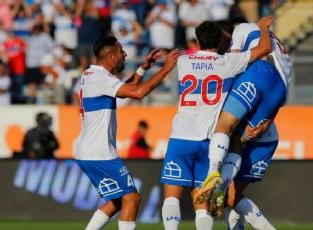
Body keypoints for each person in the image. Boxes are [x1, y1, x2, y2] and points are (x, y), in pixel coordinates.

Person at [160, 17, 274, 230]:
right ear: (221, 41)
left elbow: (169, 63)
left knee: (171, 199)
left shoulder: (183, 61)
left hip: (180, 138)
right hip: (210, 142)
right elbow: (265, 48)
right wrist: (263, 27)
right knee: (202, 205)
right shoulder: (228, 63)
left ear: (197, 41)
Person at [75, 35, 179, 230]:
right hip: (99, 153)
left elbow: (128, 87)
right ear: (112, 56)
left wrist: (143, 68)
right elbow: (138, 93)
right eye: (121, 51)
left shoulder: (91, 75)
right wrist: (166, 69)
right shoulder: (100, 78)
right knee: (132, 198)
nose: (125, 54)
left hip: (89, 151)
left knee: (118, 201)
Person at [196, 17, 292, 229]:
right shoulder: (280, 47)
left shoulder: (242, 30)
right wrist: (269, 118)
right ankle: (223, 185)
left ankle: (214, 176)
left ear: (228, 32)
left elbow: (233, 63)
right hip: (276, 95)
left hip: (259, 73)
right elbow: (283, 88)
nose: (222, 47)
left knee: (224, 126)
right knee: (237, 144)